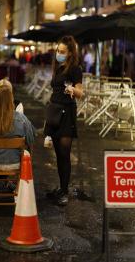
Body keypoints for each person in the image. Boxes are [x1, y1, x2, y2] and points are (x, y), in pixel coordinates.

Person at [44, 35, 84, 206]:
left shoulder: (75, 69)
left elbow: (81, 93)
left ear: (69, 53)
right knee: (58, 155)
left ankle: (65, 191)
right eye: (57, 51)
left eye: (62, 52)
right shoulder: (58, 67)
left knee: (64, 154)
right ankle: (61, 188)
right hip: (54, 111)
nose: (58, 54)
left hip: (67, 113)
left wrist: (72, 90)